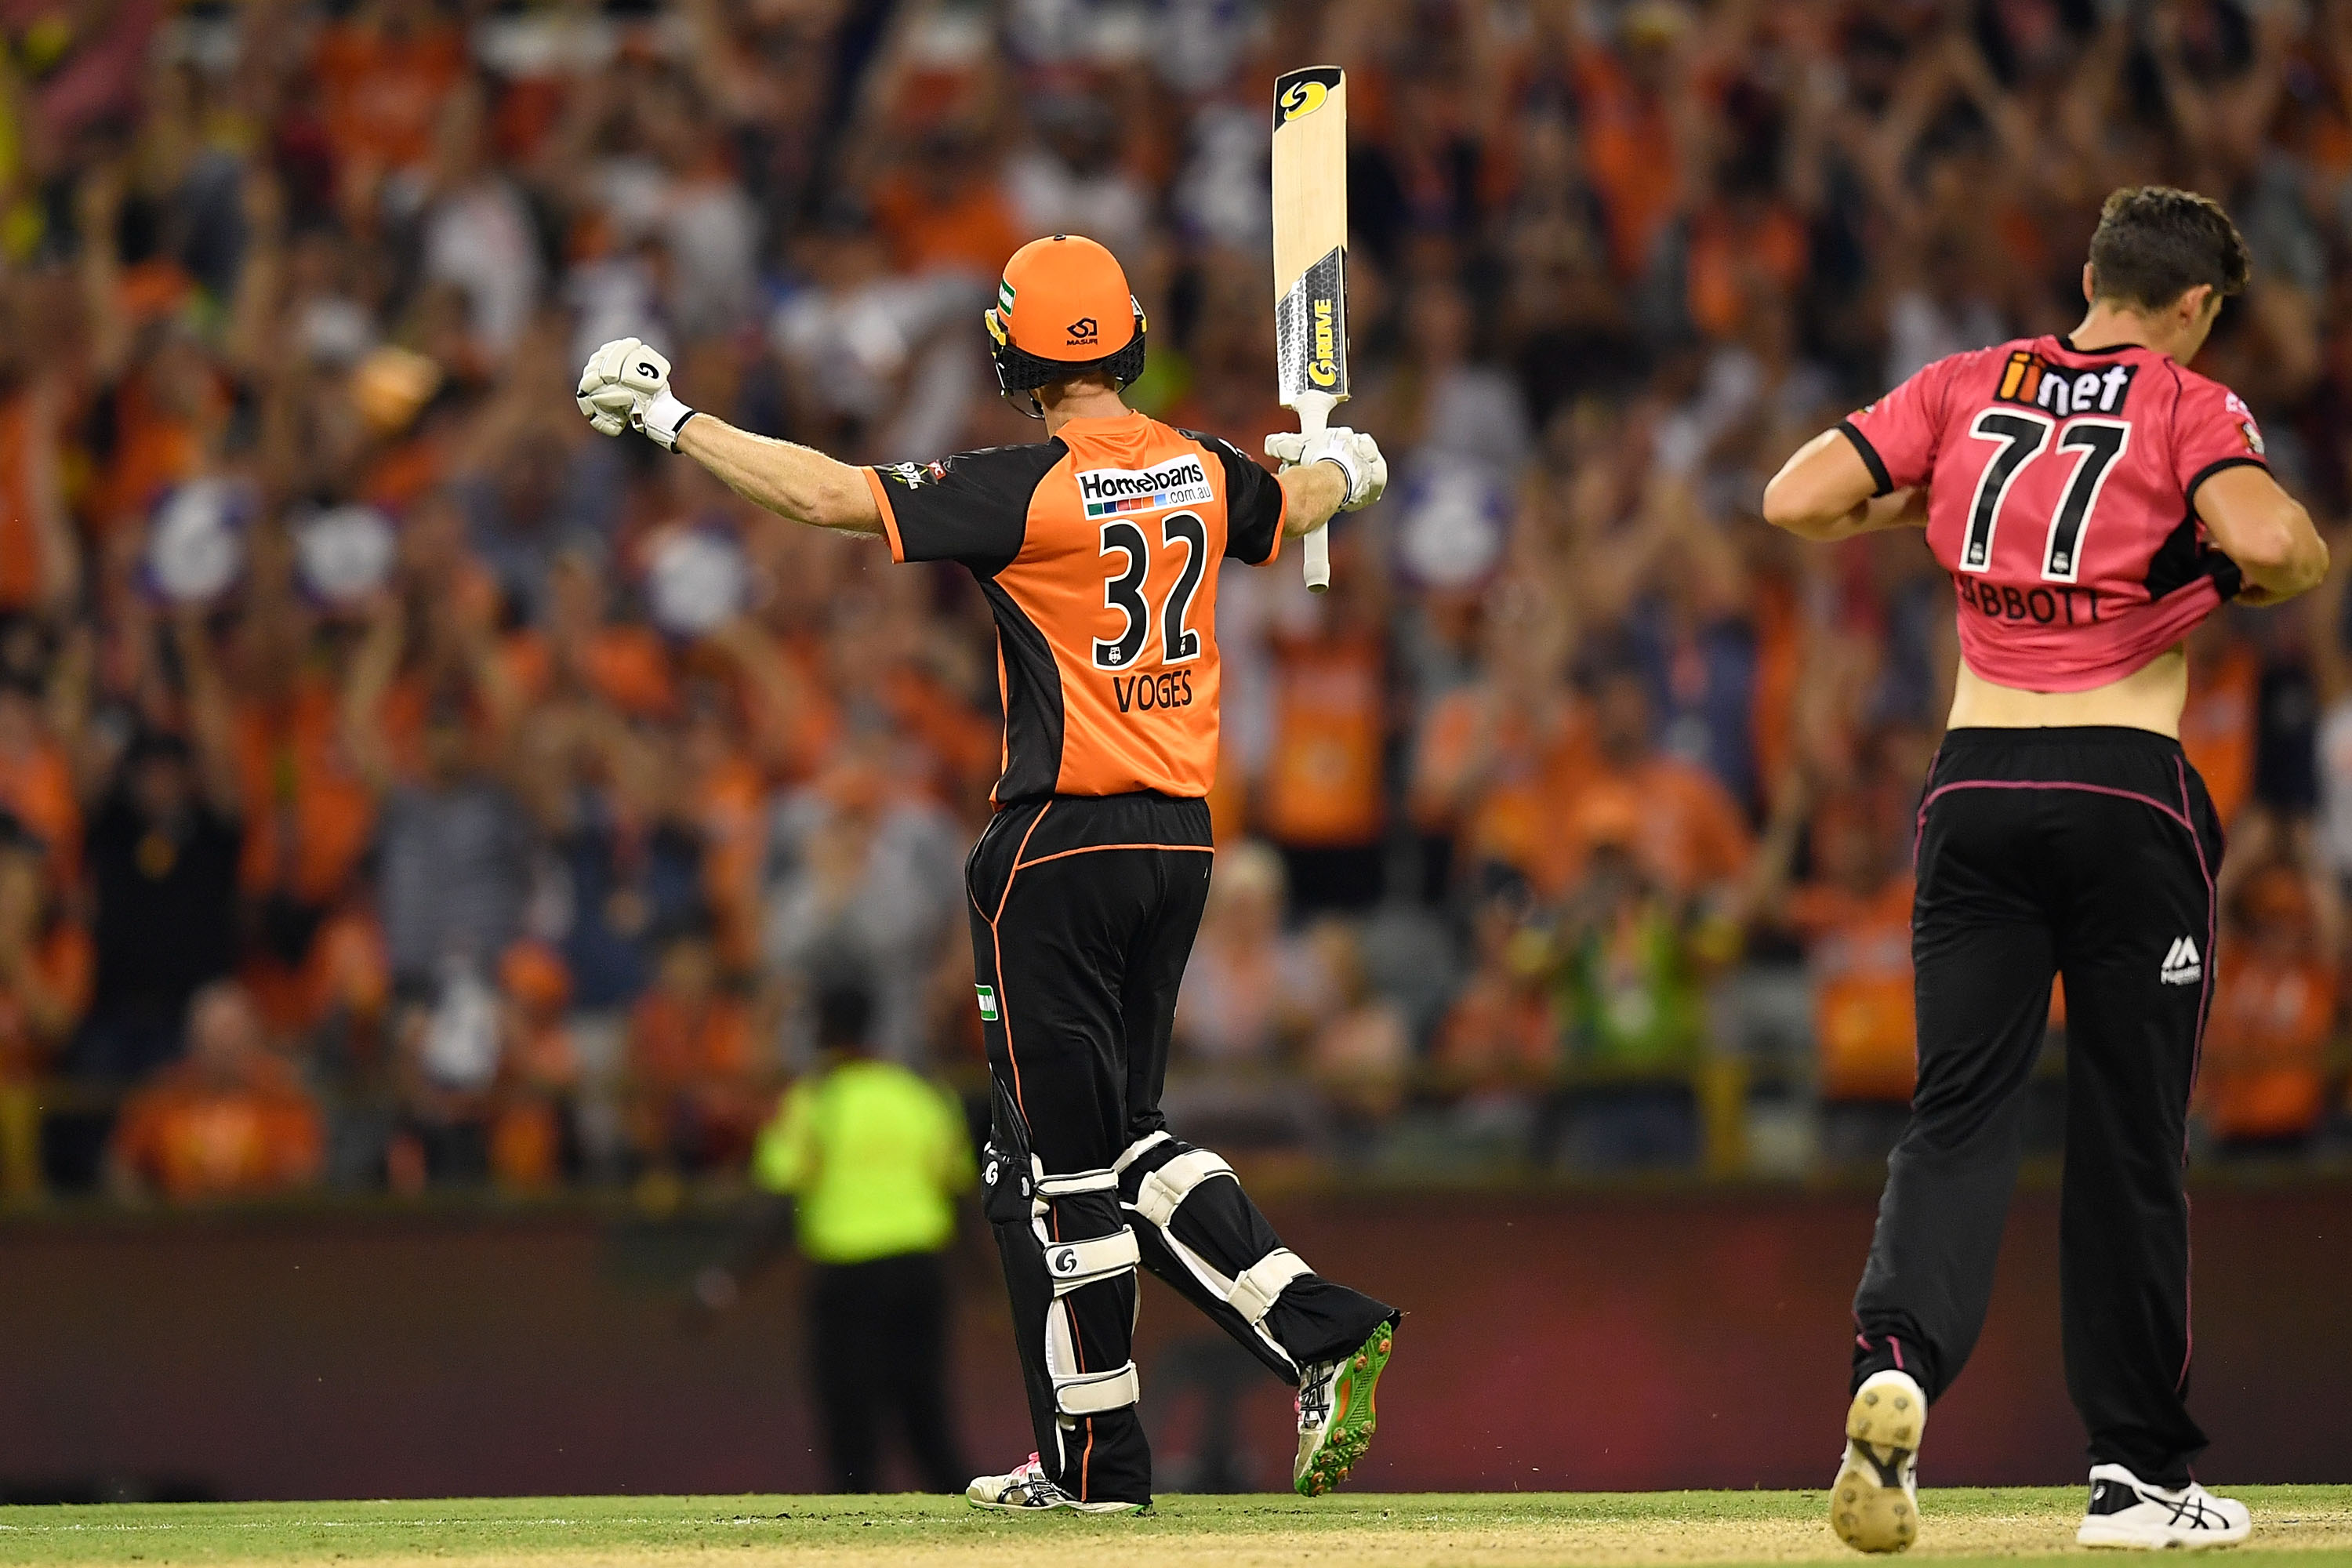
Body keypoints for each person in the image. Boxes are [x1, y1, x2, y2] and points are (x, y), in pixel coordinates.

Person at [576, 233, 1401, 1513]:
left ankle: (1303, 1334)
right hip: (1178, 842)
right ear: (1127, 339)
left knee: (1078, 1171)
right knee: (1060, 1152)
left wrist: (673, 417)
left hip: (1054, 850)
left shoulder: (1023, 487)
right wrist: (1343, 468)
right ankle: (1097, 1462)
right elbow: (1288, 506)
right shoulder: (1198, 464)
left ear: (1016, 352)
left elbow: (825, 497)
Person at [1764, 187, 2329, 1553]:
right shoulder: (2192, 407)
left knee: (1955, 1117)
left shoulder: (1970, 383)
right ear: (2195, 310)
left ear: (2087, 274)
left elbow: (1796, 498)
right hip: (2124, 790)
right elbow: (2274, 546)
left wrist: (1929, 512)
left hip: (1973, 793)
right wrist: (2216, 572)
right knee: (2129, 1138)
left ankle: (1893, 1364)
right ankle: (2135, 1476)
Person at [713, 983, 976, 1494]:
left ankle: (857, 1527)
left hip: (848, 1277)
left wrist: (725, 1280)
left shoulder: (815, 1102)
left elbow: (777, 1205)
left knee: (849, 1419)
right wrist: (983, 1283)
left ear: (826, 1031)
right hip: (919, 1271)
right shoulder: (918, 1095)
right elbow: (958, 1195)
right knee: (925, 1410)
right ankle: (963, 1517)